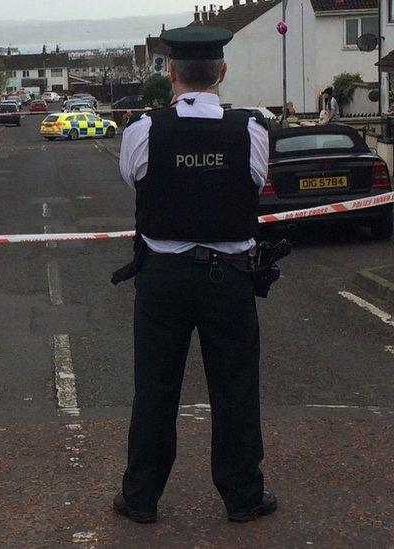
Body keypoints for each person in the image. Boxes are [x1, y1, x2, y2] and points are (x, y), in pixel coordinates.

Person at [113, 26, 277, 524]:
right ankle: (243, 496)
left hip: (162, 277)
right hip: (229, 279)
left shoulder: (142, 130)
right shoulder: (250, 130)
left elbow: (134, 179)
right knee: (235, 390)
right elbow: (255, 181)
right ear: (222, 73)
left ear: (170, 74)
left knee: (155, 390)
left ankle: (141, 498)